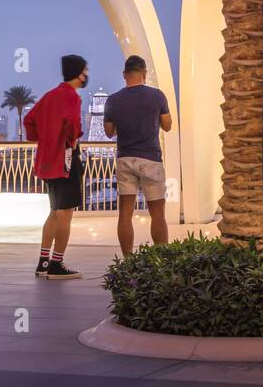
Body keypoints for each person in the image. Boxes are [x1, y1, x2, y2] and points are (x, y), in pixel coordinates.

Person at [23, 54, 90, 279]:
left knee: (53, 212)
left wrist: (41, 137)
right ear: (78, 73)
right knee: (65, 215)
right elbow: (72, 124)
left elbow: (29, 120)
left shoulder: (49, 95)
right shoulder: (72, 96)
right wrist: (73, 139)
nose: (87, 75)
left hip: (47, 162)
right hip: (66, 161)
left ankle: (43, 262)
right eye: (85, 70)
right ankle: (56, 264)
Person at [104, 55, 172, 256]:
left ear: (124, 75)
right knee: (157, 213)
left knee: (125, 213)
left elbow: (109, 132)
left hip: (125, 158)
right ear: (144, 74)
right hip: (151, 158)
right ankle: (162, 259)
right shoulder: (157, 96)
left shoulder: (113, 100)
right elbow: (167, 126)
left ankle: (127, 260)